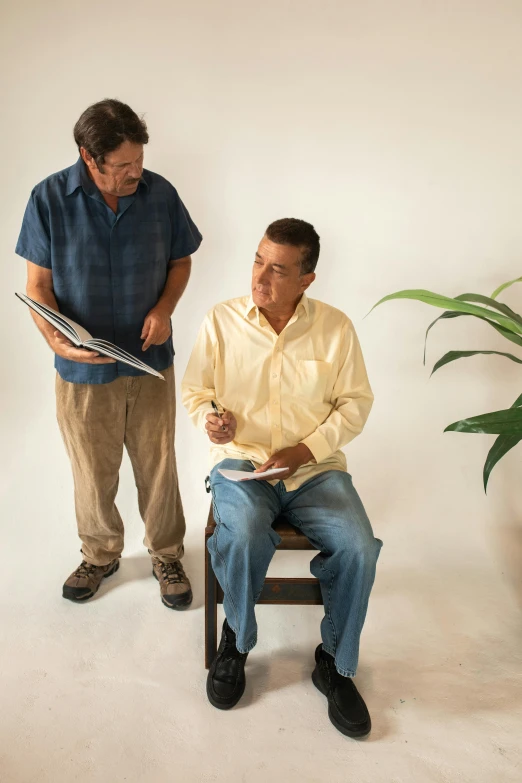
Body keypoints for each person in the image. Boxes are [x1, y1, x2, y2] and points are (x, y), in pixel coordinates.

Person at [182, 218, 382, 737]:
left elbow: (355, 405)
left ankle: (334, 664)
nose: (260, 278)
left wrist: (306, 449)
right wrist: (212, 419)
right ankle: (237, 643)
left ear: (306, 279)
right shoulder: (221, 322)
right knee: (245, 532)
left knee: (359, 545)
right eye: (257, 261)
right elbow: (196, 391)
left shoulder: (335, 328)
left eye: (277, 269)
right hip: (243, 466)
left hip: (315, 470)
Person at [16, 99, 202, 609]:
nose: (134, 173)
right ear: (89, 157)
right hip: (82, 369)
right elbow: (37, 286)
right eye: (122, 166)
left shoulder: (160, 193)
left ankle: (166, 553)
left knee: (158, 464)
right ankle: (99, 555)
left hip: (150, 359)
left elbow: (181, 262)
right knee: (90, 469)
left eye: (138, 160)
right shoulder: (49, 198)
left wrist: (165, 307)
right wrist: (54, 339)